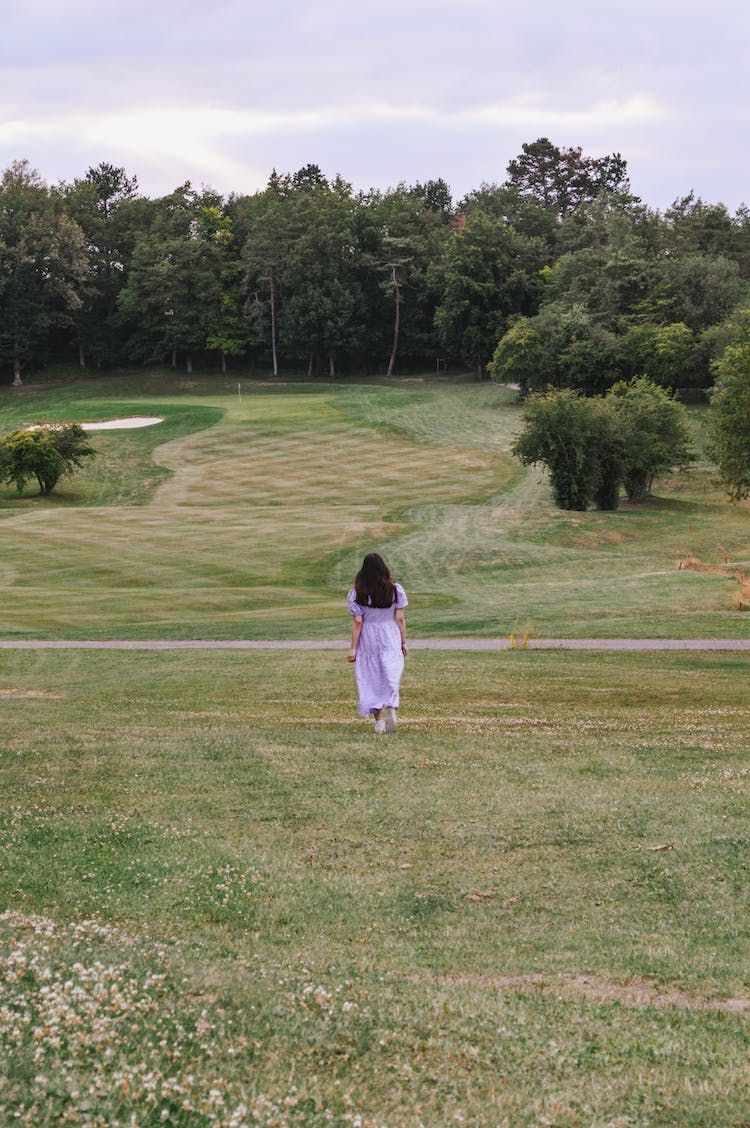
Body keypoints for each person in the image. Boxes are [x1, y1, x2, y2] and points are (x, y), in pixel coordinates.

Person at [347, 553, 408, 734]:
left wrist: (353, 648)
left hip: (369, 636)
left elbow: (358, 622)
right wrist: (403, 642)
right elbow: (400, 618)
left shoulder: (357, 592)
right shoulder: (395, 590)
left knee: (372, 676)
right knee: (391, 670)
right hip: (390, 633)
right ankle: (391, 702)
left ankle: (379, 721)